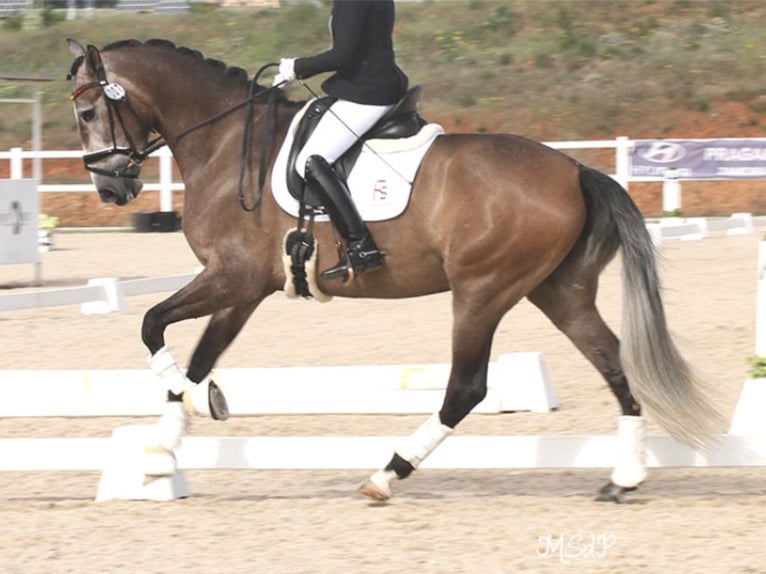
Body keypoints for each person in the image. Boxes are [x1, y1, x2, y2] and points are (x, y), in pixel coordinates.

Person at [273, 0, 409, 281]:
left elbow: (342, 56)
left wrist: (295, 67)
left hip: (367, 92)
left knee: (309, 161)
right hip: (375, 83)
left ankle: (361, 247)